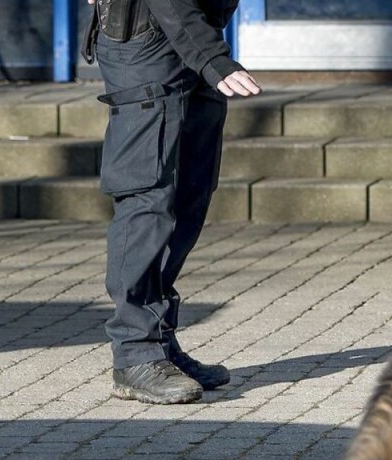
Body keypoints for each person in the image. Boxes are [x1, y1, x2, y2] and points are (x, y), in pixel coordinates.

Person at [82, 0, 261, 404]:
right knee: (147, 199)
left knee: (188, 198)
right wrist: (213, 58)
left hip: (196, 29)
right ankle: (134, 353)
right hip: (144, 39)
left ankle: (159, 342)